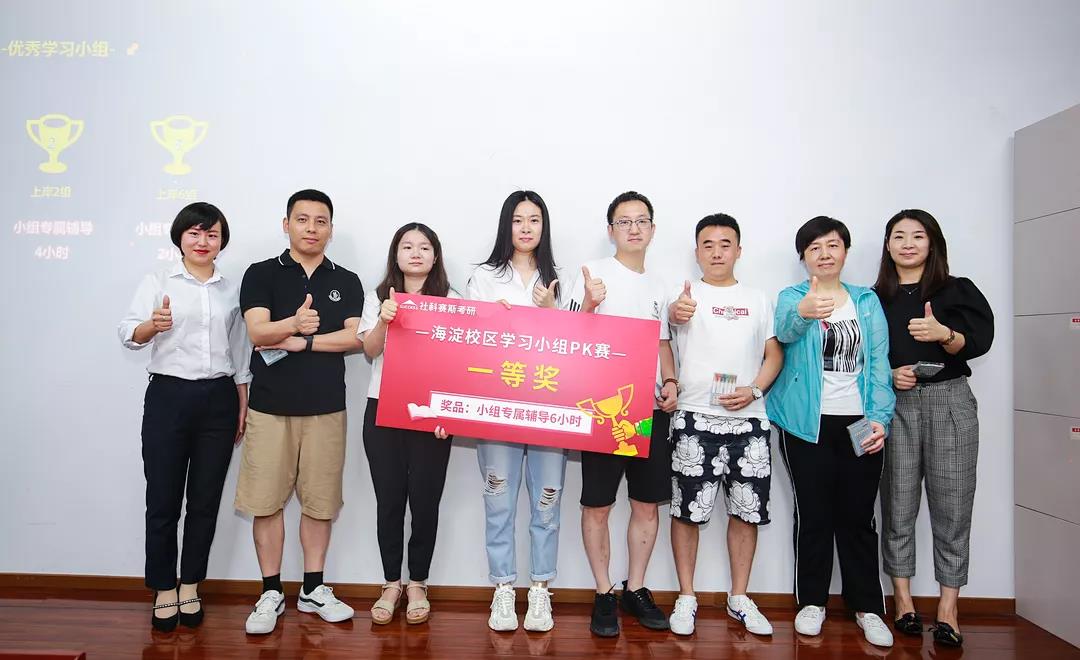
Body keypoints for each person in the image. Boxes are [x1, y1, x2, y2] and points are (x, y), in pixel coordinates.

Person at [234, 189, 364, 634]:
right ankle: (271, 591)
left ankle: (312, 588)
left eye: (320, 221)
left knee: (320, 502)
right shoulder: (261, 273)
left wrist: (300, 341)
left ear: (331, 229)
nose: (311, 228)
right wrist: (292, 324)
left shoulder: (347, 280)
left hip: (326, 408)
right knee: (265, 501)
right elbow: (257, 332)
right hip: (269, 408)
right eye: (303, 219)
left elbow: (354, 338)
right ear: (286, 224)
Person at [118, 202, 251, 631]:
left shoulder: (231, 290)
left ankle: (191, 583)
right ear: (180, 237)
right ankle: (163, 587)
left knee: (205, 501)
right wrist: (151, 326)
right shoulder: (158, 281)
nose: (203, 241)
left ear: (222, 242)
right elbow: (128, 333)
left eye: (212, 234)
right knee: (162, 500)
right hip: (168, 396)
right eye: (195, 233)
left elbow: (240, 351)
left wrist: (241, 402)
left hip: (219, 398)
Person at [766, 216, 897, 648]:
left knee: (858, 515)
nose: (824, 254)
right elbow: (785, 332)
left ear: (845, 251)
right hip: (807, 424)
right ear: (803, 256)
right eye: (815, 247)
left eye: (833, 245)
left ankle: (868, 607)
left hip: (859, 421)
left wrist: (880, 418)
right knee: (814, 513)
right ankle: (812, 602)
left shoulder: (866, 301)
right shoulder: (792, 297)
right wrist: (804, 314)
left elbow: (879, 364)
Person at [873, 209, 993, 647]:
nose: (908, 244)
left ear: (933, 243)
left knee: (953, 507)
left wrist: (944, 334)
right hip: (897, 406)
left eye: (918, 236)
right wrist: (890, 375)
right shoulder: (874, 298)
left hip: (950, 401)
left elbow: (979, 341)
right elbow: (861, 356)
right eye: (898, 236)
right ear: (888, 245)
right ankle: (902, 600)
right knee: (898, 504)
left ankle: (948, 607)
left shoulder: (957, 290)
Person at [665, 213, 783, 637]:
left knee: (747, 511)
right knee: (686, 512)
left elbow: (774, 354)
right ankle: (686, 596)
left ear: (739, 250)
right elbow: (665, 337)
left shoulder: (758, 299)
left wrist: (754, 389)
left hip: (749, 420)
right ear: (697, 251)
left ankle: (739, 596)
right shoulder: (682, 295)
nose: (716, 252)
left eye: (725, 244)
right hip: (694, 417)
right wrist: (676, 313)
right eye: (708, 245)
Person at [563, 191, 675, 637]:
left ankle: (637, 587)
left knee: (646, 503)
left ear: (652, 229)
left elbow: (662, 343)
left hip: (650, 410)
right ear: (610, 230)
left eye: (641, 220)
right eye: (624, 221)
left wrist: (672, 381)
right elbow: (566, 337)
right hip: (605, 410)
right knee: (598, 504)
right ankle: (603, 591)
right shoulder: (591, 273)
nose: (633, 228)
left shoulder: (660, 284)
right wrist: (590, 303)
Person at [465, 190, 566, 633]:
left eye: (534, 220)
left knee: (547, 501)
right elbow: (468, 339)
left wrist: (552, 311)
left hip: (549, 408)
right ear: (506, 225)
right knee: (499, 499)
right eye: (518, 219)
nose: (526, 227)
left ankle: (540, 588)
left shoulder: (560, 278)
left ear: (544, 227)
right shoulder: (484, 277)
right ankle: (503, 587)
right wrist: (491, 317)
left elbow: (578, 347)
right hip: (498, 409)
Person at [358, 222, 455, 625]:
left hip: (432, 416)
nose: (416, 253)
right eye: (407, 246)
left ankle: (418, 583)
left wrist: (448, 415)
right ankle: (390, 583)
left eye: (424, 247)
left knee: (425, 502)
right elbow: (369, 349)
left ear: (435, 255)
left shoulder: (452, 301)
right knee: (390, 501)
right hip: (383, 410)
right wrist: (384, 319)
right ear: (395, 255)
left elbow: (460, 365)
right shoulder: (378, 296)